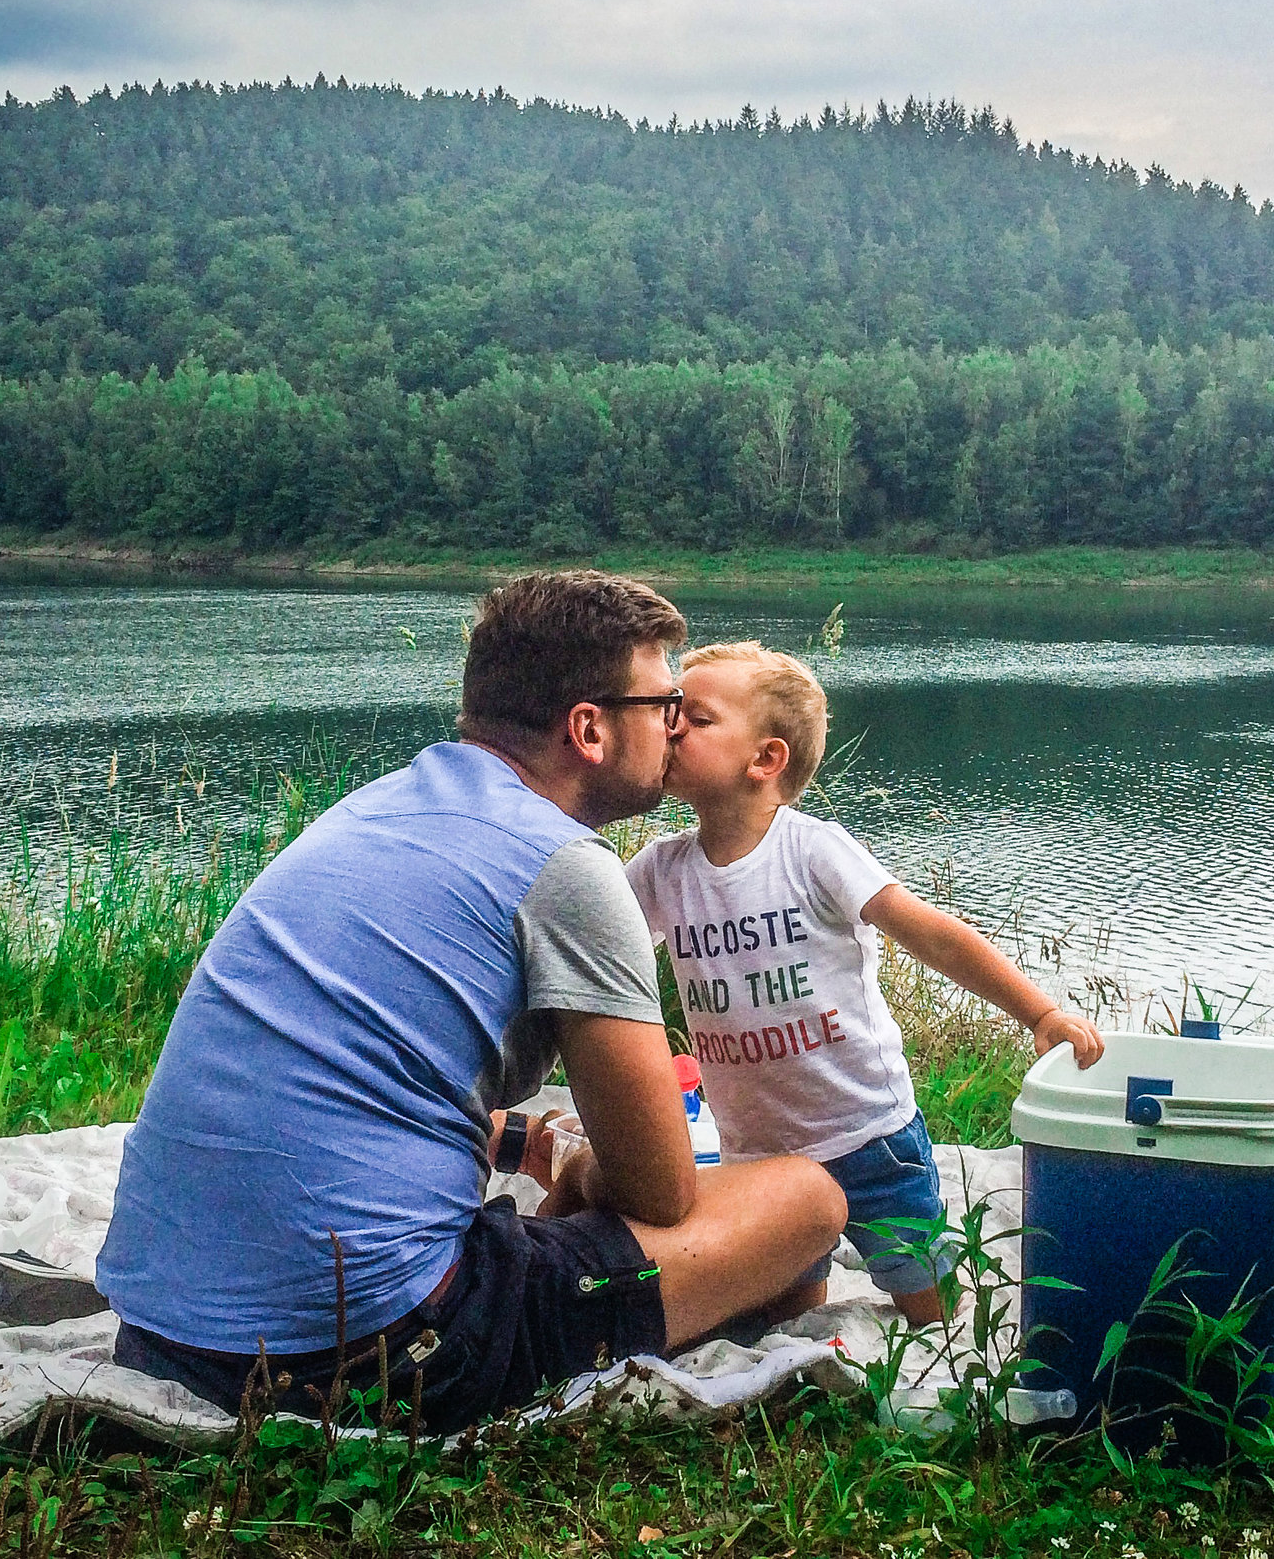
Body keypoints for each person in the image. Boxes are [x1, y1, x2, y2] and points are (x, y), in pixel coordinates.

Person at [95, 573, 847, 1427]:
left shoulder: (378, 808)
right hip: (369, 1349)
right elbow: (661, 1190)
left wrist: (524, 1139)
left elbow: (353, 1070)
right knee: (808, 1199)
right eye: (663, 699)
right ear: (589, 727)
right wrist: (582, 1167)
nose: (676, 721)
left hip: (163, 1330)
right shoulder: (567, 865)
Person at [624, 641, 1105, 1328]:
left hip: (866, 1132)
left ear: (766, 759)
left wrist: (1040, 1013)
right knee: (791, 1319)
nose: (669, 728)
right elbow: (589, 954)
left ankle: (941, 1337)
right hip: (759, 1154)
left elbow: (932, 933)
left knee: (929, 1305)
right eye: (668, 713)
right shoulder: (659, 870)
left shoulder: (812, 849)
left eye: (694, 718)